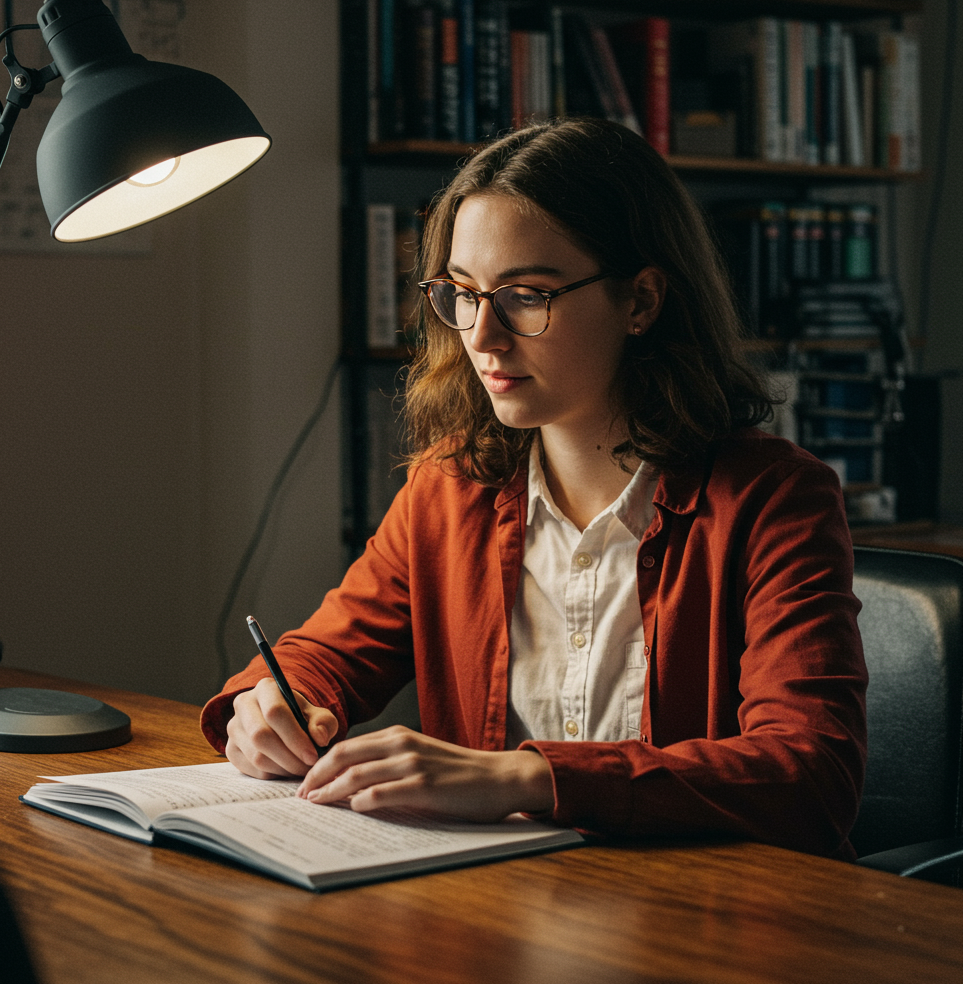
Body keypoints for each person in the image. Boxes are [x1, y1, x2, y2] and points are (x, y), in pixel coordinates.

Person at [201, 117, 867, 859]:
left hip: (699, 925)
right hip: (492, 913)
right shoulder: (449, 488)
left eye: (525, 295)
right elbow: (324, 655)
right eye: (461, 292)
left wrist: (526, 778)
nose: (481, 335)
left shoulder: (774, 498)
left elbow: (811, 775)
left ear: (641, 301)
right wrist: (270, 704)